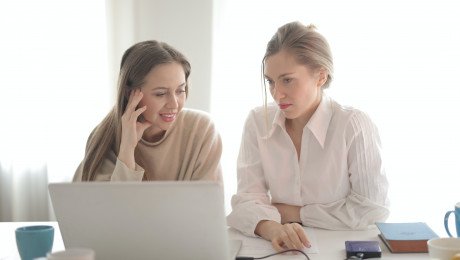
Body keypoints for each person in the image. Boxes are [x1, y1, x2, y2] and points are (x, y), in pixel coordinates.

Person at [227, 22, 389, 252]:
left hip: (343, 250)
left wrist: (295, 213)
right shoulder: (257, 121)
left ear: (321, 76)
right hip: (280, 250)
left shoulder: (353, 124)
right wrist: (273, 228)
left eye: (287, 80)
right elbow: (245, 201)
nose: (276, 93)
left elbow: (372, 208)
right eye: (271, 81)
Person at [73, 40, 222, 182]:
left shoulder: (202, 129)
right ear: (129, 93)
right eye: (160, 94)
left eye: (180, 90)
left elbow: (208, 203)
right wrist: (127, 149)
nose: (174, 104)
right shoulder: (103, 138)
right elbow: (111, 206)